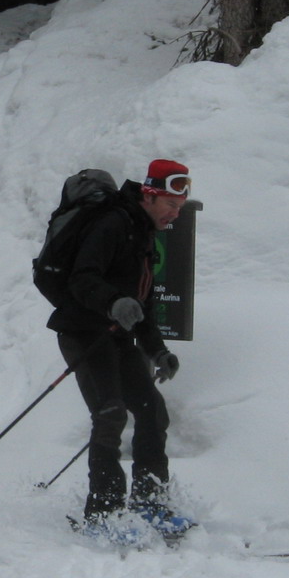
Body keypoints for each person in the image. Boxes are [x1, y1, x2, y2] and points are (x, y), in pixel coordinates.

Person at [46, 159, 191, 527]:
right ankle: (104, 514)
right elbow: (82, 278)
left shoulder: (141, 232)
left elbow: (143, 301)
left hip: (117, 335)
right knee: (111, 414)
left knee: (151, 411)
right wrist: (112, 301)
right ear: (150, 194)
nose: (175, 214)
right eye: (171, 205)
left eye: (180, 207)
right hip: (82, 333)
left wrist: (158, 350)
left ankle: (151, 502)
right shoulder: (112, 223)